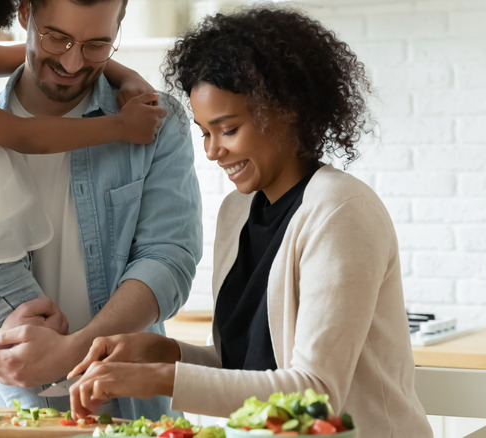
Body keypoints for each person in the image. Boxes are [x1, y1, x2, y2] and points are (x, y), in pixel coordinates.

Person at [66, 6, 434, 437]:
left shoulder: (340, 211)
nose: (212, 151)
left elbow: (314, 395)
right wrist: (163, 353)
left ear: (289, 110)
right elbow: (244, 369)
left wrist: (160, 379)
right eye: (205, 132)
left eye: (228, 129)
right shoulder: (237, 213)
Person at [0, 0, 203, 420]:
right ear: (25, 14)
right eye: (56, 37)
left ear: (119, 29)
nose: (72, 61)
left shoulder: (155, 120)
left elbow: (169, 261)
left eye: (97, 44)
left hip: (129, 410)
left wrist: (70, 351)